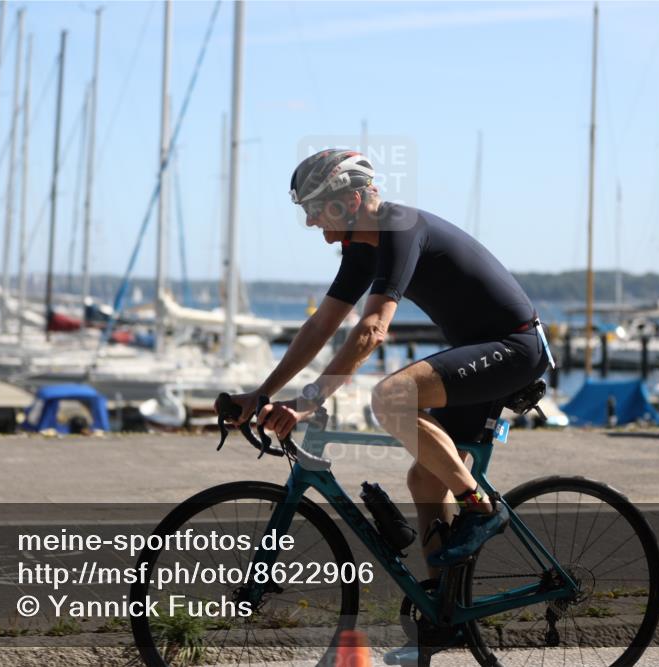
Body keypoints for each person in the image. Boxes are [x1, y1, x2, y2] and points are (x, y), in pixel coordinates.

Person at [224, 148, 551, 568]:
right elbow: (319, 327)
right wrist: (262, 392)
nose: (309, 221)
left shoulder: (400, 228)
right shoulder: (363, 248)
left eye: (315, 209)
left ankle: (482, 507)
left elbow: (373, 330)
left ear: (352, 202)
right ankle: (441, 612)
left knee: (392, 396)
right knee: (424, 479)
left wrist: (309, 400)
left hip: (514, 347)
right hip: (482, 352)